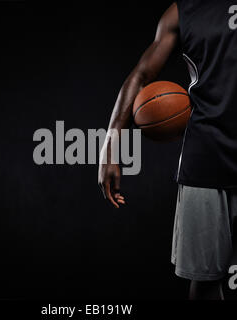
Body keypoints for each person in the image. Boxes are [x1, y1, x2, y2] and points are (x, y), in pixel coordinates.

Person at [98, 0, 237, 300]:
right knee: (205, 283)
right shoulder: (184, 11)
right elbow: (142, 74)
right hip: (206, 164)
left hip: (207, 159)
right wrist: (110, 146)